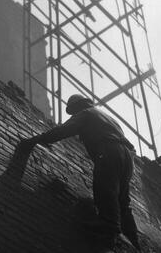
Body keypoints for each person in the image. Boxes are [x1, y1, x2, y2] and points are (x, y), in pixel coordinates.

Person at [22, 94, 140, 251]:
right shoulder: (107, 117)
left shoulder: (86, 114)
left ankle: (109, 225)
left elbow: (64, 130)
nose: (73, 114)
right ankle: (134, 239)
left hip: (109, 149)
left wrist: (39, 139)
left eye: (73, 111)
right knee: (122, 199)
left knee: (105, 184)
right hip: (127, 157)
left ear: (78, 106)